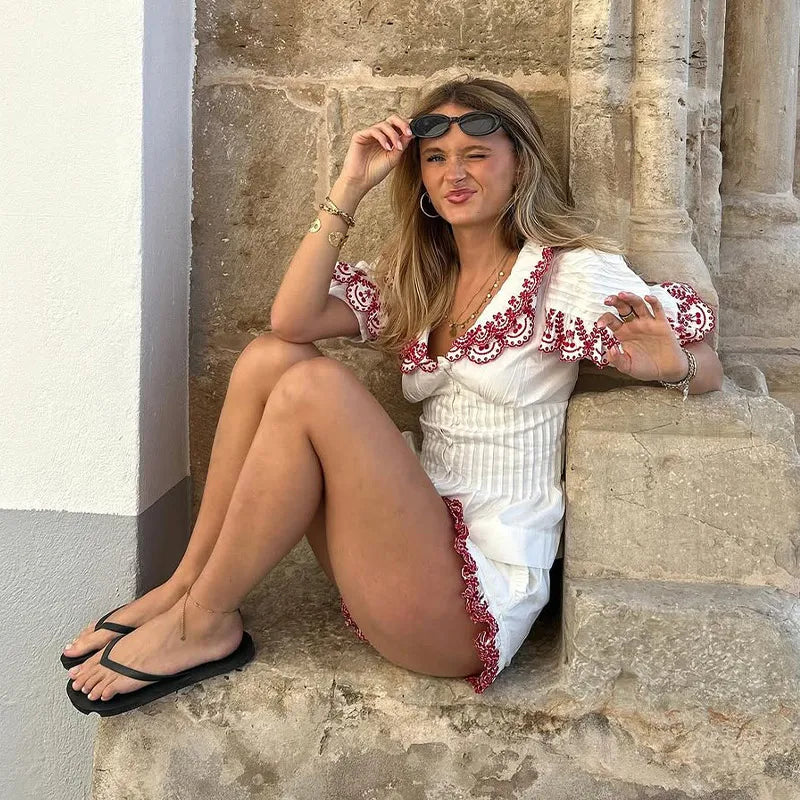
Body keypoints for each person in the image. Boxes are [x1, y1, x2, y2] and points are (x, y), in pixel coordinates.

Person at [63, 76, 722, 715]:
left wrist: (672, 366)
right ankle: (185, 588)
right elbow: (291, 322)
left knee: (314, 387)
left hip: (468, 603)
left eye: (476, 155)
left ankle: (204, 623)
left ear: (519, 169)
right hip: (404, 549)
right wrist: (349, 185)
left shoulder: (562, 271)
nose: (454, 173)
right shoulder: (422, 278)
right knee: (273, 357)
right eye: (435, 158)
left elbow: (702, 360)